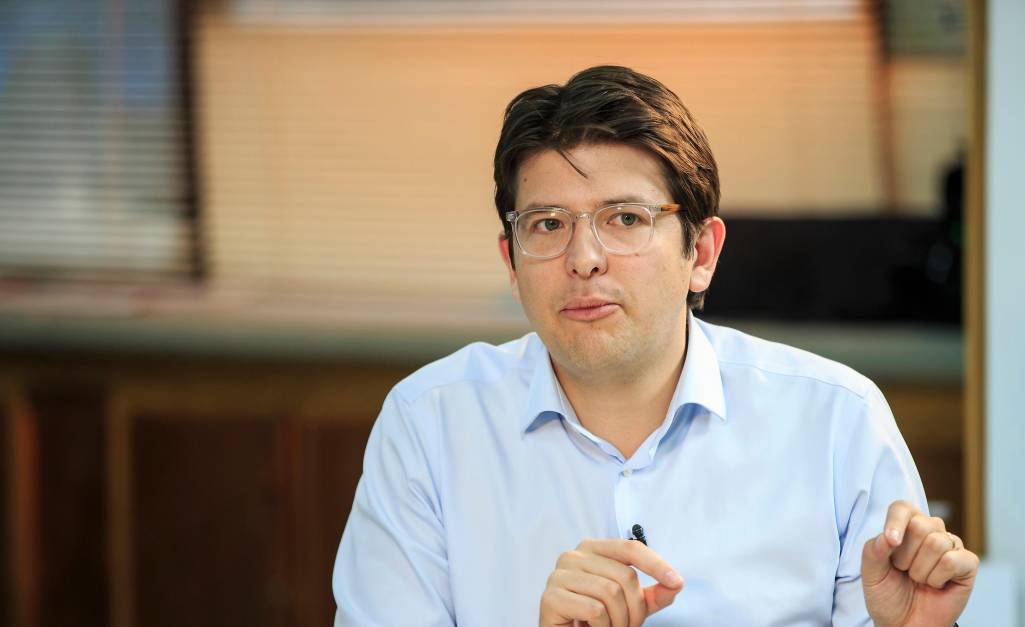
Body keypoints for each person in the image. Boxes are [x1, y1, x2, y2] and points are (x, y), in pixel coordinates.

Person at [332, 65, 978, 626]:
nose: (583, 258)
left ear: (702, 253)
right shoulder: (430, 425)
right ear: (512, 261)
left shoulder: (836, 420)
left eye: (625, 218)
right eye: (548, 224)